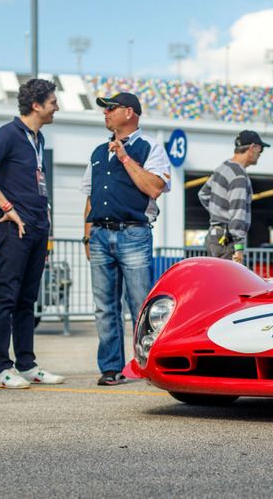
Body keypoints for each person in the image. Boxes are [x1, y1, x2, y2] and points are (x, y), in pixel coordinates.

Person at [0, 79, 64, 388]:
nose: (57, 107)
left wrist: (46, 218)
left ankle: (27, 364)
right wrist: (6, 206)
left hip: (38, 228)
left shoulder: (39, 139)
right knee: (7, 296)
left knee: (28, 299)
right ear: (36, 105)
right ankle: (2, 368)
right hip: (13, 228)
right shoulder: (8, 134)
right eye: (53, 102)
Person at [81, 92, 172, 385]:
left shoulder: (150, 148)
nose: (105, 113)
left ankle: (148, 366)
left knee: (140, 306)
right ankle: (111, 368)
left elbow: (155, 187)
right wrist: (86, 238)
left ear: (129, 112)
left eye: (110, 108)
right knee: (104, 306)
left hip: (133, 233)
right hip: (99, 235)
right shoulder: (97, 152)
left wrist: (124, 157)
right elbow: (90, 197)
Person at [198, 130, 270, 263]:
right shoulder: (239, 175)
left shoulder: (222, 167)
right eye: (260, 149)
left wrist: (218, 213)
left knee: (216, 281)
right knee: (227, 283)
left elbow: (203, 194)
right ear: (252, 147)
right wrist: (239, 247)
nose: (260, 153)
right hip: (228, 240)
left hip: (214, 236)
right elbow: (238, 212)